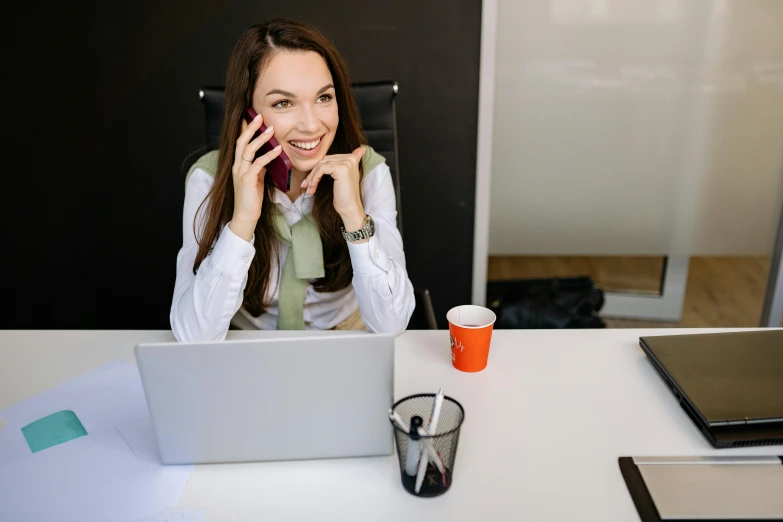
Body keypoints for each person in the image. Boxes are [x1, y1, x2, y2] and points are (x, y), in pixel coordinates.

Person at [170, 19, 415, 342]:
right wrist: (242, 220)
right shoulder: (208, 179)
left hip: (345, 341)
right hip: (248, 347)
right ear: (248, 114)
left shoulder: (367, 171)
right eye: (283, 103)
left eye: (324, 98)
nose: (312, 125)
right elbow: (194, 336)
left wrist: (354, 217)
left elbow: (391, 323)